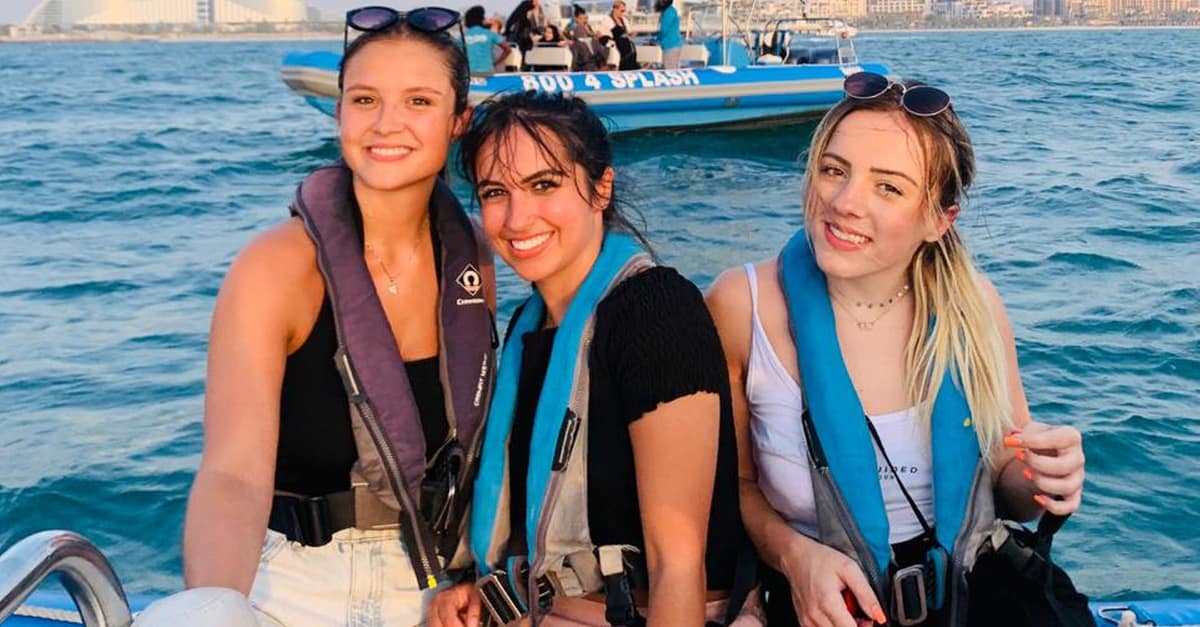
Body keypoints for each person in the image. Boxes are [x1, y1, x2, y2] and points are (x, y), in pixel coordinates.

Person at [139, 7, 496, 626]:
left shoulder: (474, 260)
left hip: (439, 584)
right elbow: (232, 476)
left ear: (458, 121)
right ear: (338, 113)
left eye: (418, 101)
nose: (386, 123)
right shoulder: (275, 269)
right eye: (364, 100)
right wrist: (217, 605)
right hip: (296, 587)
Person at [705, 73, 1086, 627]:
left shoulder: (976, 306)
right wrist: (795, 558)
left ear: (938, 219)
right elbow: (729, 486)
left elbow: (1008, 478)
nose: (844, 203)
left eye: (888, 188)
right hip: (822, 606)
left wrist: (1043, 477)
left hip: (967, 601)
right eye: (834, 170)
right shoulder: (740, 305)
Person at [427, 92, 763, 627]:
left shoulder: (656, 314)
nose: (517, 217)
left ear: (600, 188)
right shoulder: (528, 327)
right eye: (495, 192)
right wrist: (473, 591)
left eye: (544, 185)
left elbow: (678, 565)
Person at [465, 5, 510, 75]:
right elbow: (508, 50)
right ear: (482, 19)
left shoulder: (462, 37)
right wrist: (496, 63)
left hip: (469, 73)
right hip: (488, 72)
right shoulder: (490, 34)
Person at [595, 0, 638, 70]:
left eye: (624, 11)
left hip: (623, 43)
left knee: (630, 47)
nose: (623, 13)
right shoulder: (607, 19)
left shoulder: (624, 20)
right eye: (622, 11)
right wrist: (627, 34)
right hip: (610, 44)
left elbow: (627, 32)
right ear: (615, 9)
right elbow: (616, 32)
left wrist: (630, 34)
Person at [564, 5, 608, 71]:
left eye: (585, 18)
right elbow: (566, 34)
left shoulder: (586, 25)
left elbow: (591, 35)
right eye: (581, 18)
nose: (583, 20)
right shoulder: (572, 26)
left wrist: (595, 35)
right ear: (576, 18)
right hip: (580, 50)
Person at [655, 0, 682, 69]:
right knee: (672, 68)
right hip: (673, 45)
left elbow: (664, 30)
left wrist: (657, 40)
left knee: (669, 70)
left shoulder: (668, 12)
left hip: (670, 45)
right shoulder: (670, 10)